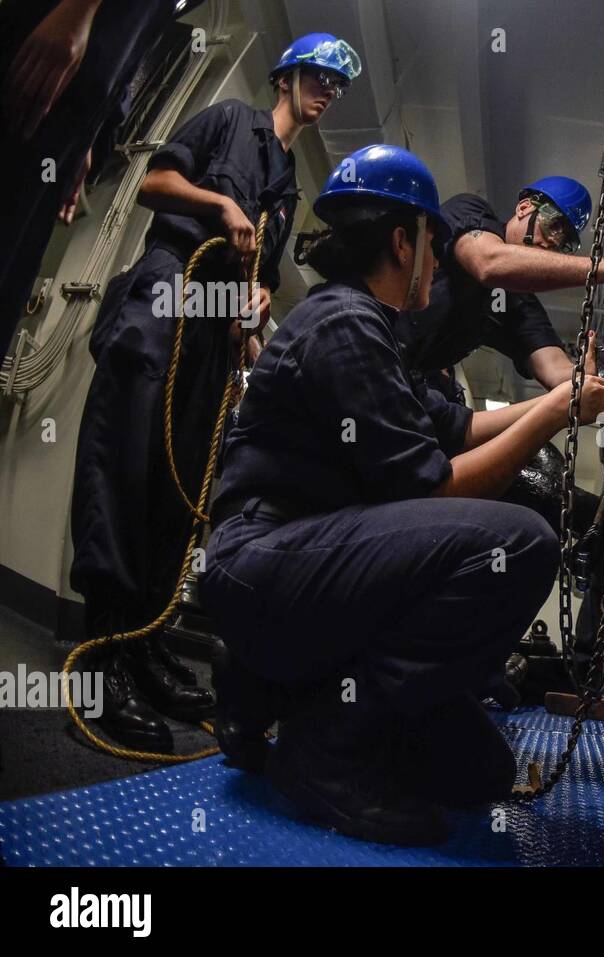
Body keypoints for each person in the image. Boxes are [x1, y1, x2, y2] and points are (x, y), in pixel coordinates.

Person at [198, 145, 604, 845]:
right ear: (404, 242)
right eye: (433, 243)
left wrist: (571, 396)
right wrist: (550, 414)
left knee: (479, 772)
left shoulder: (378, 334)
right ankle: (323, 747)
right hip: (262, 564)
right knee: (518, 540)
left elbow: (461, 427)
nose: (439, 258)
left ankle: (271, 685)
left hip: (304, 572)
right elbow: (438, 482)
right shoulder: (346, 324)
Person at [68, 32, 360, 751]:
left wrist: (254, 316)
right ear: (288, 76)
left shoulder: (290, 190)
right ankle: (100, 660)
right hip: (162, 300)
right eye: (320, 77)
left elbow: (258, 280)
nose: (327, 93)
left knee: (177, 493)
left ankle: (145, 641)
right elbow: (153, 184)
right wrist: (219, 207)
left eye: (337, 87)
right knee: (127, 473)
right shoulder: (231, 120)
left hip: (210, 343)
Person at [0, 0, 178, 361]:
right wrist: (75, 10)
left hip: (76, 109)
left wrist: (92, 135)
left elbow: (136, 38)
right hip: (48, 58)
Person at [397, 175, 604, 391]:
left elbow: (558, 373)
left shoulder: (518, 306)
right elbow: (489, 263)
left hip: (405, 382)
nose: (552, 242)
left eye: (564, 243)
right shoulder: (469, 212)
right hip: (368, 340)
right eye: (553, 225)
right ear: (525, 207)